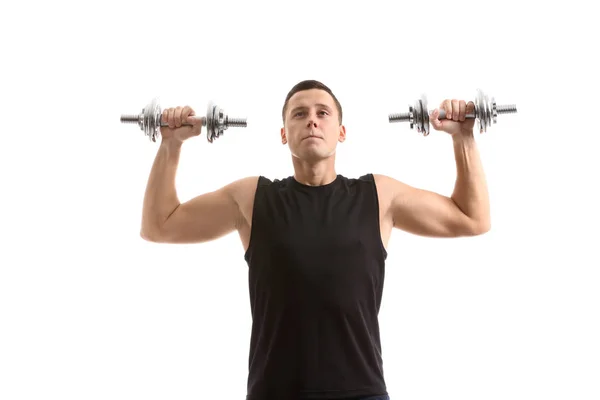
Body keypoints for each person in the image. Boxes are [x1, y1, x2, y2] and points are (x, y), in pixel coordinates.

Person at [140, 80, 491, 400]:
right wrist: (171, 144)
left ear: (341, 132)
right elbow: (159, 225)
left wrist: (463, 138)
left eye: (323, 113)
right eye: (300, 114)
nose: (312, 120)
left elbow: (471, 218)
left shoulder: (379, 196)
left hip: (362, 393)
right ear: (283, 134)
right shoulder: (251, 199)